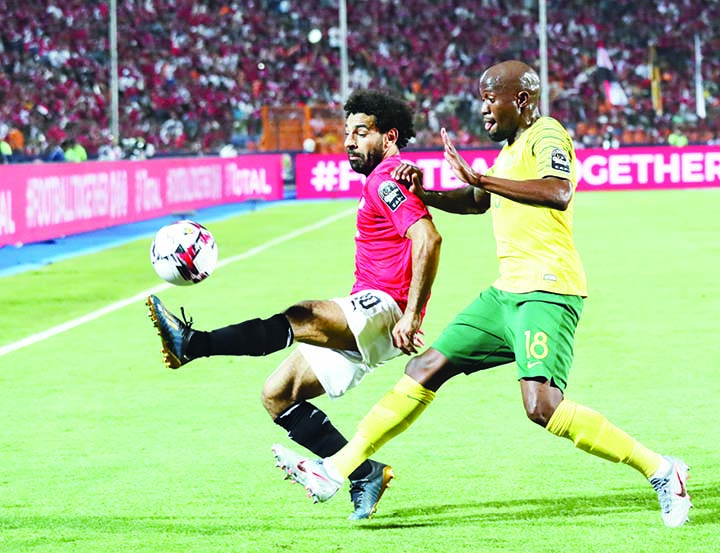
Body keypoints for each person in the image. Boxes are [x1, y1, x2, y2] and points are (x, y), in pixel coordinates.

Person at [272, 61, 692, 528]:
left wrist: (480, 179)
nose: (483, 108)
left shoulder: (546, 134)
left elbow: (558, 192)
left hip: (547, 290)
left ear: (523, 100)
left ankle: (663, 470)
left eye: (492, 98)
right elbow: (478, 202)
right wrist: (426, 192)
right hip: (505, 293)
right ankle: (338, 469)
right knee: (425, 367)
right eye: (482, 97)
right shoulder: (509, 151)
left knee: (541, 407)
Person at [147, 88, 442, 520]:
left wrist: (412, 314)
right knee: (277, 396)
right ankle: (364, 474)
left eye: (361, 133)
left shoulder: (387, 178)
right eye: (347, 133)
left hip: (386, 310)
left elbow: (428, 239)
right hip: (369, 310)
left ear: (390, 136)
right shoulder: (383, 178)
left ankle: (193, 344)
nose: (349, 141)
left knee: (302, 315)